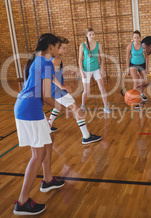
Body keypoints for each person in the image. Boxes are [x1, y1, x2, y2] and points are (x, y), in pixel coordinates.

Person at [13, 33, 66, 215]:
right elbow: (46, 96)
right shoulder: (46, 63)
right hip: (29, 109)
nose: (59, 50)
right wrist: (65, 108)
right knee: (38, 154)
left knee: (49, 138)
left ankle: (48, 179)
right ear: (51, 47)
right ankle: (22, 202)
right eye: (58, 47)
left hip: (26, 106)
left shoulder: (37, 59)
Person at [47, 36, 102, 144]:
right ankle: (86, 137)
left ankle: (49, 124)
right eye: (64, 48)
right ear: (57, 47)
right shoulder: (56, 60)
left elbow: (56, 73)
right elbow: (50, 75)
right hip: (57, 90)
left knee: (58, 106)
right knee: (76, 108)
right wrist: (61, 86)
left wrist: (69, 73)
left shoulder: (53, 58)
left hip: (53, 89)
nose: (66, 50)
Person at [78, 28, 111, 113]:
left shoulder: (98, 45)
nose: (92, 36)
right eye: (90, 34)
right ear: (86, 35)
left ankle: (106, 106)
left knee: (102, 88)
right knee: (86, 91)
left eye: (93, 34)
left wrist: (102, 70)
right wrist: (81, 72)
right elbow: (80, 59)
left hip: (96, 69)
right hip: (86, 70)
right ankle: (82, 105)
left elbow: (102, 58)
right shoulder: (82, 46)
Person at [126, 30, 148, 109]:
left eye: (137, 37)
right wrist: (128, 68)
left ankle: (141, 94)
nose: (136, 39)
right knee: (136, 82)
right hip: (133, 64)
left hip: (142, 64)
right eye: (134, 37)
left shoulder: (143, 45)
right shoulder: (130, 46)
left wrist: (147, 68)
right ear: (133, 38)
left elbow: (146, 56)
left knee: (144, 80)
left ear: (140, 38)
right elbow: (127, 57)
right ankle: (135, 100)